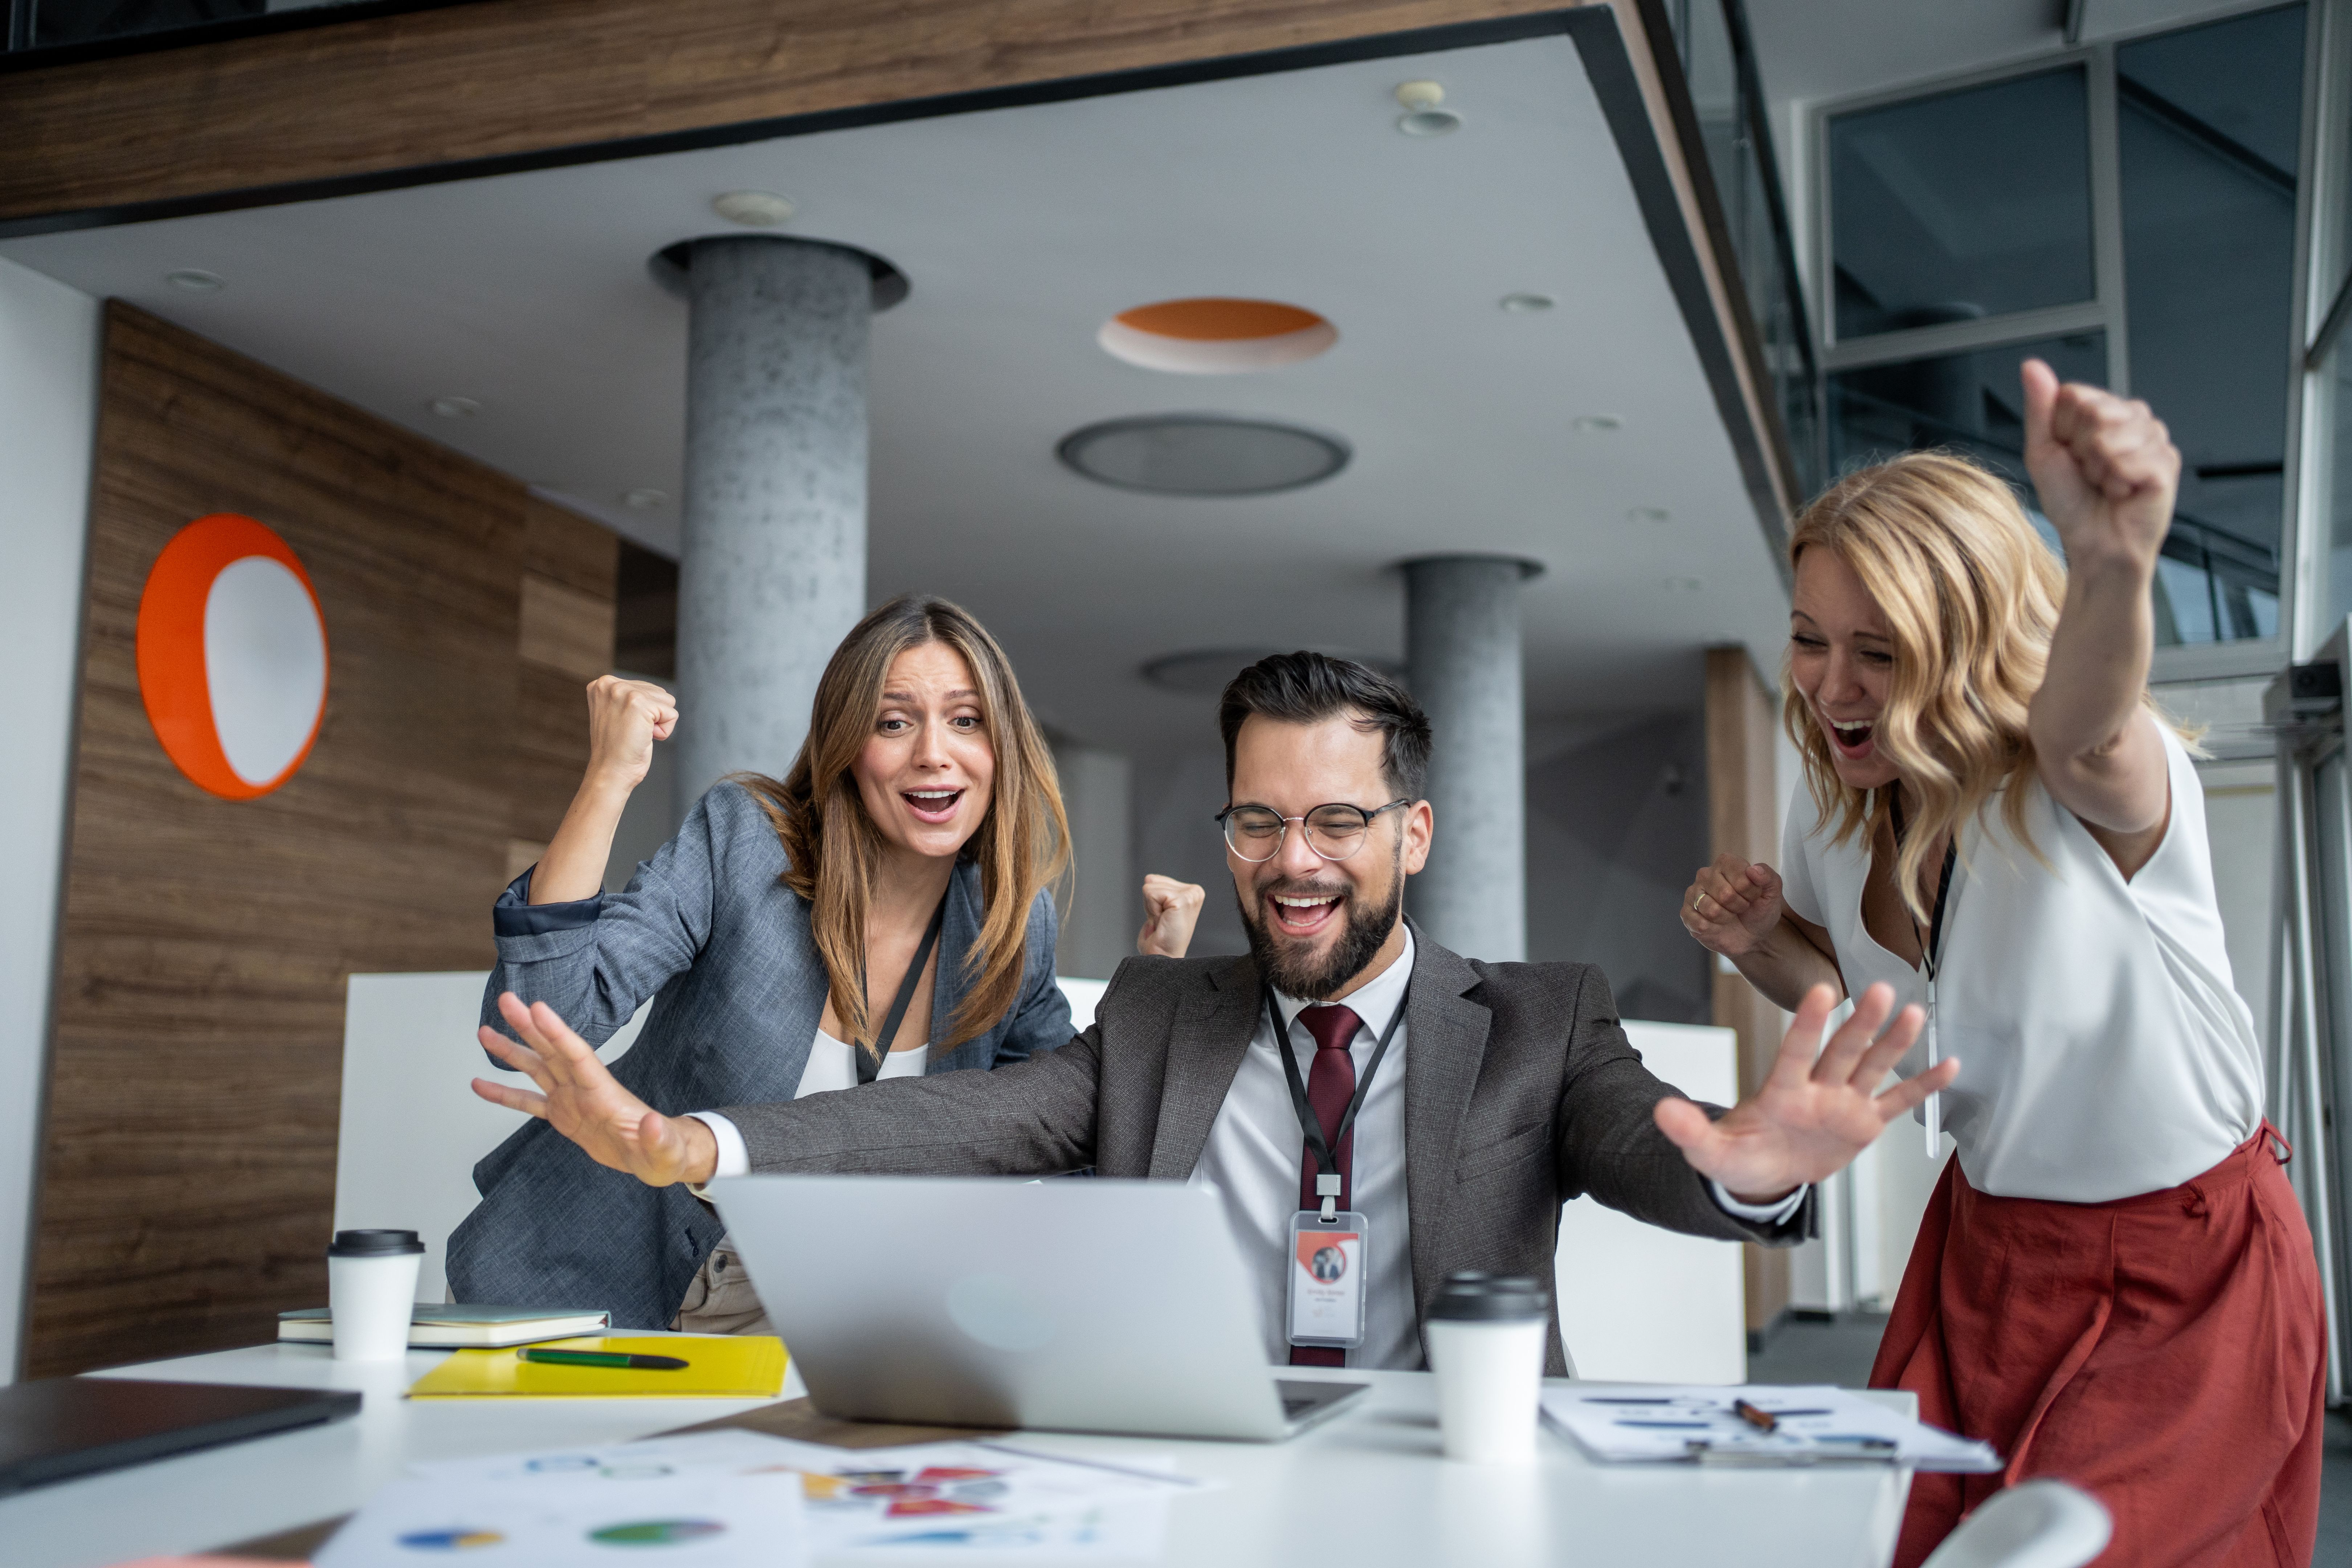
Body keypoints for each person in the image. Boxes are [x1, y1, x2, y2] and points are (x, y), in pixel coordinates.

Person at [473, 652, 1952, 1372]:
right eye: (1258, 821)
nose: (1292, 862)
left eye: (1334, 822)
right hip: (1181, 1496)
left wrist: (1747, 1172)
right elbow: (961, 1116)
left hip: (1441, 1494)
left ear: (1414, 835)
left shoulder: (1537, 1019)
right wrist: (691, 1147)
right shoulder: (1161, 1018)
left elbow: (1646, 1146)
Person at [1680, 364, 2324, 1568]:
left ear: (1968, 646)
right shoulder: (1832, 810)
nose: (1829, 686)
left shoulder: (2090, 784)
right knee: (1913, 1543)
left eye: (1878, 652)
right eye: (1811, 640)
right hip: (1987, 1245)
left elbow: (2084, 721)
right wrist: (1761, 938)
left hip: (2180, 1267)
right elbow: (1859, 999)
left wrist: (2115, 556)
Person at [448, 594, 1205, 1332]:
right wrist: (609, 778)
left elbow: (1062, 1136)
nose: (934, 753)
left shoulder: (1011, 923)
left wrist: (1156, 982)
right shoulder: (746, 844)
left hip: (818, 1322)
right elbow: (539, 1017)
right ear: (848, 746)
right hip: (585, 1286)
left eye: (966, 720)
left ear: (1002, 746)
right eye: (894, 722)